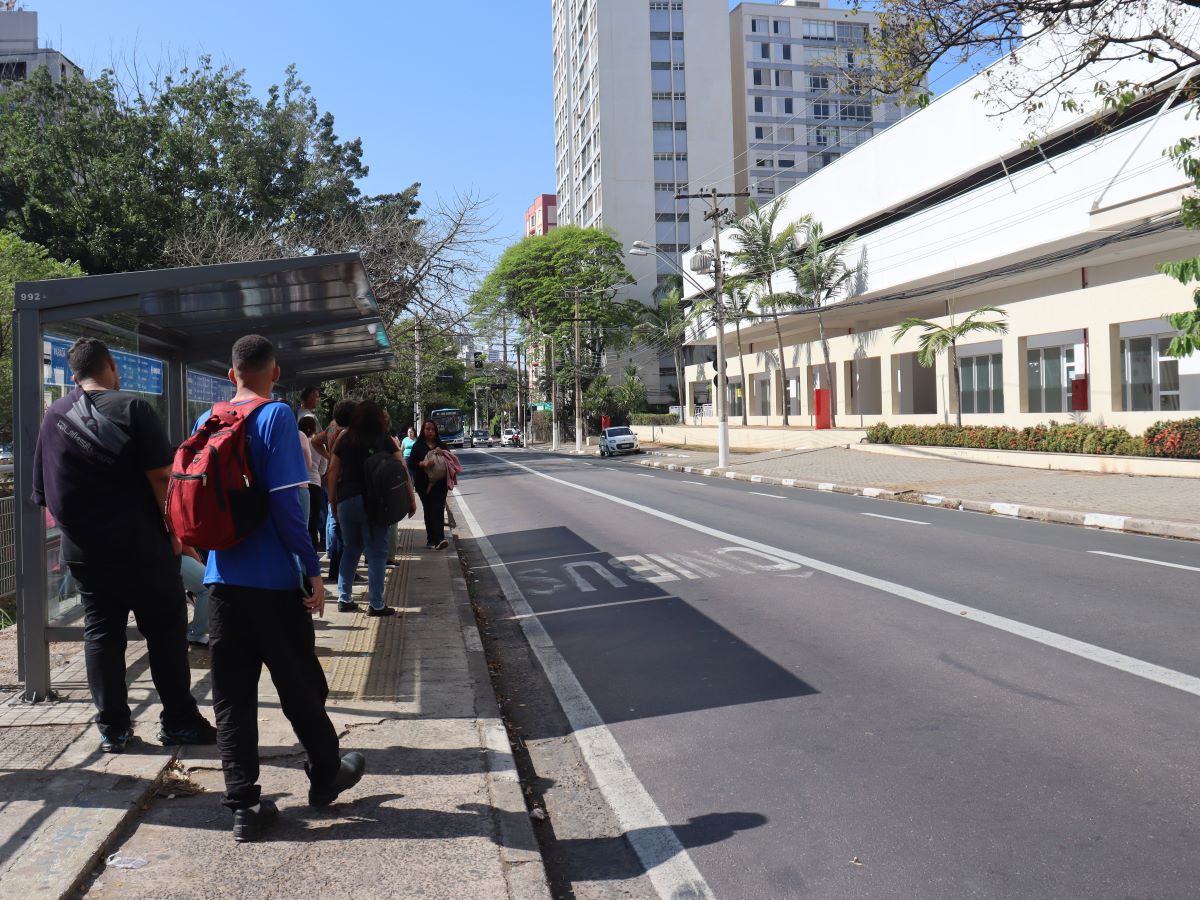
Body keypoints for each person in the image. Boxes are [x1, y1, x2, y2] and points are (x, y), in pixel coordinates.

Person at [199, 335, 364, 842]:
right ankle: (325, 771)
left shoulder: (208, 420)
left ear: (232, 375)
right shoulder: (276, 418)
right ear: (274, 372)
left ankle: (244, 806)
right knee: (299, 684)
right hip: (273, 584)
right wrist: (311, 569)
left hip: (221, 582)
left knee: (231, 696)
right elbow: (288, 506)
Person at [31, 337, 216, 753]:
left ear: (75, 373)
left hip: (84, 553)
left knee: (101, 637)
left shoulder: (54, 416)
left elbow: (43, 490)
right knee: (166, 634)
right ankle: (179, 721)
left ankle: (113, 729)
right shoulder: (132, 408)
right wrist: (176, 534)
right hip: (142, 548)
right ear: (111, 366)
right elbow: (161, 479)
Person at [328, 401, 410, 616]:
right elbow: (401, 470)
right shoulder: (384, 440)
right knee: (376, 553)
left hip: (347, 501)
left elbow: (333, 471)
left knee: (351, 549)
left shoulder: (344, 438)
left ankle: (344, 598)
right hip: (374, 503)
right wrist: (410, 499)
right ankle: (376, 604)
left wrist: (333, 501)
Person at [312, 399, 357, 595]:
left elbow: (315, 441)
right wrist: (334, 459)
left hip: (333, 478)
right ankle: (341, 572)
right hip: (343, 480)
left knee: (338, 527)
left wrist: (329, 457)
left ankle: (335, 570)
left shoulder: (331, 427)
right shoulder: (345, 433)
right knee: (345, 532)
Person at [409, 419, 451, 550]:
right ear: (423, 431)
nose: (430, 432)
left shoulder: (442, 445)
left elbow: (450, 460)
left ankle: (440, 538)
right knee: (428, 510)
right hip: (423, 485)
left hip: (440, 484)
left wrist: (443, 453)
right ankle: (431, 539)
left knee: (438, 509)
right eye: (427, 429)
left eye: (433, 429)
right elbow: (411, 464)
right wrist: (423, 464)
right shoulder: (418, 446)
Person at [298, 417, 323, 552]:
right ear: (313, 428)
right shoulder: (318, 444)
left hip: (299, 484)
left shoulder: (295, 440)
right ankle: (313, 555)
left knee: (302, 524)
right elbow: (323, 468)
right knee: (313, 524)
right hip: (315, 483)